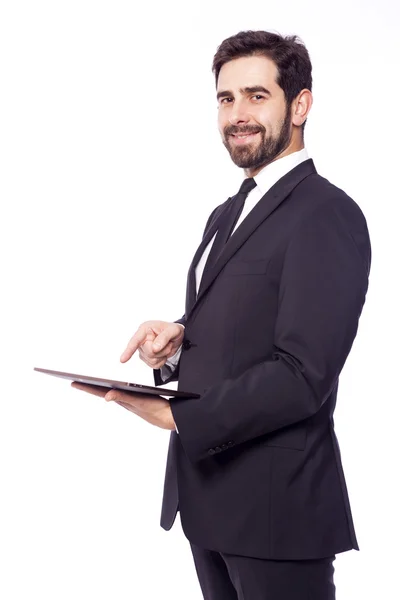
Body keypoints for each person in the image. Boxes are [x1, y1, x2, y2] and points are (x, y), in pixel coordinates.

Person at [73, 30, 371, 600]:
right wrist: (178, 348)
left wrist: (180, 417)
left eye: (257, 96)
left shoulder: (326, 214)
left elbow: (304, 373)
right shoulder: (226, 212)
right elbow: (244, 333)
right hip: (210, 503)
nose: (237, 114)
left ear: (300, 104)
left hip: (277, 513)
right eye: (225, 99)